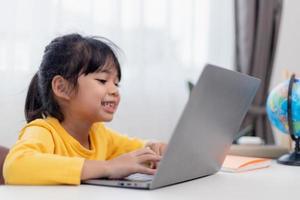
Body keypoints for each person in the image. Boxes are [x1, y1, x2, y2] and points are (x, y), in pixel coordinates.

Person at [3, 33, 167, 185]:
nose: (114, 90)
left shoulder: (99, 134)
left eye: (116, 83)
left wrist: (154, 147)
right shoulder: (44, 131)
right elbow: (15, 166)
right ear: (62, 88)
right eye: (103, 80)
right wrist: (108, 167)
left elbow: (135, 149)